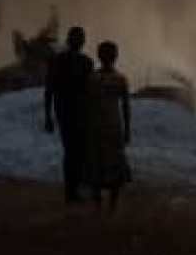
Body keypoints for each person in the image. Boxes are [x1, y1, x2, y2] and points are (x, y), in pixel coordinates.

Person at [44, 25, 94, 205]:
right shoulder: (83, 62)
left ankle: (73, 191)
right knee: (75, 152)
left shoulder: (62, 61)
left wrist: (48, 116)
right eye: (80, 38)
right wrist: (48, 116)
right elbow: (50, 89)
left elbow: (49, 90)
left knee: (74, 152)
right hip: (74, 113)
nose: (81, 41)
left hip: (70, 113)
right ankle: (72, 192)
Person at [86, 40, 132, 211]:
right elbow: (125, 107)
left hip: (97, 127)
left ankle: (98, 205)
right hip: (113, 127)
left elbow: (86, 105)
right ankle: (111, 206)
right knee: (113, 166)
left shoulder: (92, 79)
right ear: (116, 57)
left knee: (97, 166)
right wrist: (127, 129)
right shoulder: (120, 79)